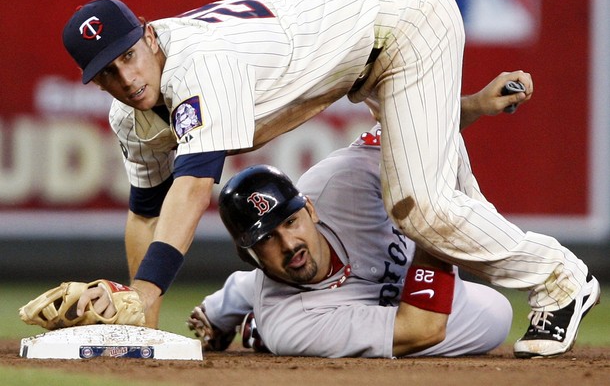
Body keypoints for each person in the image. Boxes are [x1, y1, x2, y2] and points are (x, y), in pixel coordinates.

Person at [60, 0, 598, 358]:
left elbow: (195, 184)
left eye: (129, 56)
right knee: (427, 196)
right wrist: (140, 320)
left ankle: (561, 279)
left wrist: (146, 290)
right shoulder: (130, 117)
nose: (126, 80)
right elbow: (146, 213)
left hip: (403, 16)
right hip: (360, 37)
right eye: (107, 72)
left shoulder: (196, 63)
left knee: (421, 206)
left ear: (150, 37)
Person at [188, 139, 513, 358]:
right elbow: (421, 330)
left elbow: (414, 124)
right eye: (266, 238)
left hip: (369, 291)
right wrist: (430, 224)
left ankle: (229, 300)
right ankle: (253, 321)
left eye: (290, 222)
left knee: (291, 262)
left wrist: (471, 107)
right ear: (249, 256)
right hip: (325, 309)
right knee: (495, 316)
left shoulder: (338, 180)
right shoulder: (288, 324)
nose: (288, 242)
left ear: (310, 209)